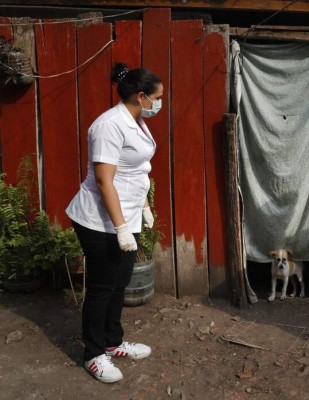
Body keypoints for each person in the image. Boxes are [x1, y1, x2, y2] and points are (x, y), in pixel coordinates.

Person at [66, 63, 163, 383]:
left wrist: (144, 206)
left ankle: (112, 341)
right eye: (157, 97)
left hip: (128, 213)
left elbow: (135, 171)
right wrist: (121, 227)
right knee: (102, 287)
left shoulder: (136, 120)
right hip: (99, 219)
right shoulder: (108, 125)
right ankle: (94, 354)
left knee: (119, 282)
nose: (160, 102)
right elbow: (105, 181)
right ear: (140, 96)